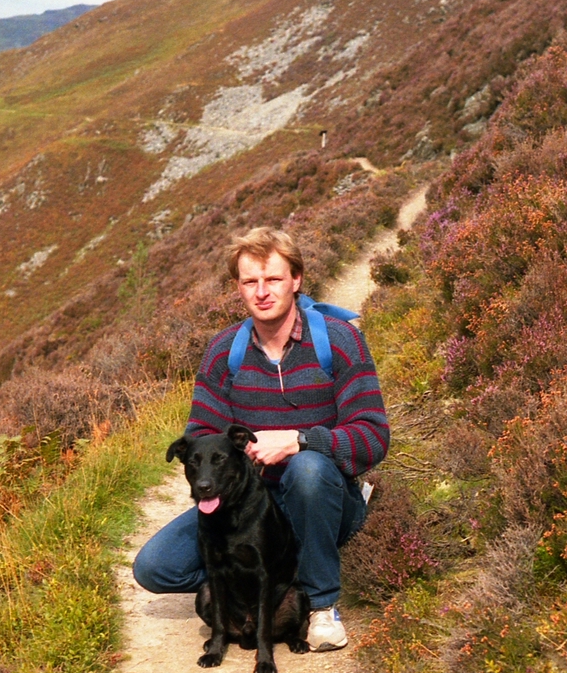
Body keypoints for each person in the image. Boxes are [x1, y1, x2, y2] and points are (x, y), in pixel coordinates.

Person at [133, 227, 390, 650]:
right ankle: (267, 578)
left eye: (273, 279)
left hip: (321, 493)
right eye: (250, 282)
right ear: (238, 287)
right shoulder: (224, 352)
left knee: (307, 472)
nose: (262, 292)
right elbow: (200, 437)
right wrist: (234, 457)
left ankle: (322, 606)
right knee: (154, 567)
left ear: (296, 279)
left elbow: (373, 436)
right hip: (249, 507)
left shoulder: (340, 343)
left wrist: (299, 441)